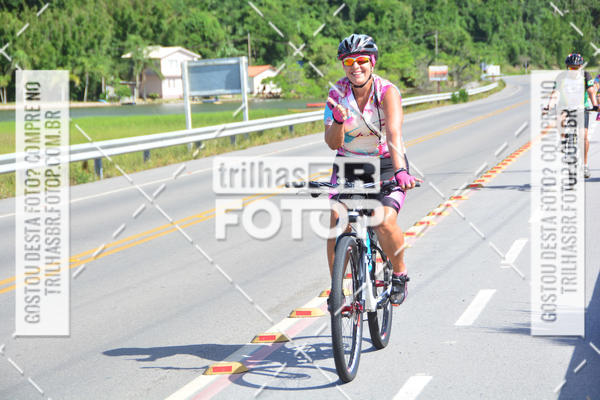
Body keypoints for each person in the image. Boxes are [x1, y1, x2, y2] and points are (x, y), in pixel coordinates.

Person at [323, 34, 420, 305]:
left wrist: (400, 171)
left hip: (387, 162)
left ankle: (399, 273)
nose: (356, 67)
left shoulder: (387, 92)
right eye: (349, 62)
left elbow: (394, 134)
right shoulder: (336, 94)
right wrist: (338, 122)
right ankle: (337, 292)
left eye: (362, 60)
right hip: (350, 163)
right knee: (337, 220)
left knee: (383, 221)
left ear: (372, 62)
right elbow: (332, 143)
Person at [544, 53, 597, 180]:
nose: (574, 70)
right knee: (559, 118)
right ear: (567, 67)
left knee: (583, 136)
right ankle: (563, 140)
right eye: (571, 68)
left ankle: (585, 165)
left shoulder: (586, 75)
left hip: (581, 108)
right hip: (565, 107)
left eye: (576, 67)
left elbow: (591, 91)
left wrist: (595, 104)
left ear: (580, 67)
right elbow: (555, 93)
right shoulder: (561, 76)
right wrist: (550, 105)